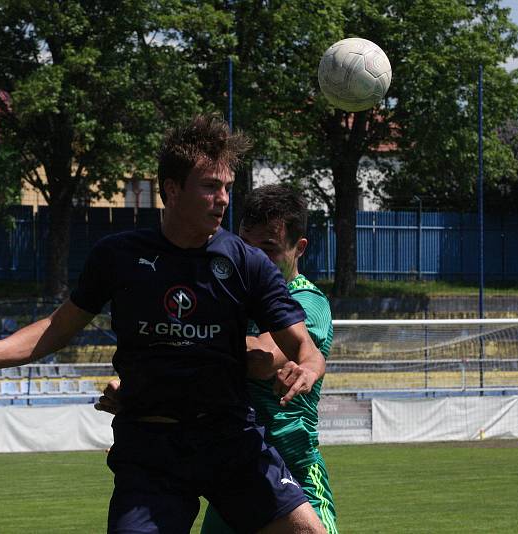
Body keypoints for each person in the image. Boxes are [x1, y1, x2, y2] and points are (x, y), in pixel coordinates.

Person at [0, 114, 327, 533]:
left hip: (230, 440)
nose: (223, 199)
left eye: (226, 187)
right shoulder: (117, 256)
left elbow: (304, 347)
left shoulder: (247, 263)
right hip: (151, 450)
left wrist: (308, 368)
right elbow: (56, 328)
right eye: (209, 186)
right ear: (171, 189)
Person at [98, 184, 339, 533]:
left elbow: (261, 360)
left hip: (294, 473)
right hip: (236, 472)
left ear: (298, 248)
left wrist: (188, 337)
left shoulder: (307, 303)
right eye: (245, 245)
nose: (253, 256)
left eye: (268, 249)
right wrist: (145, 390)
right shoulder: (230, 296)